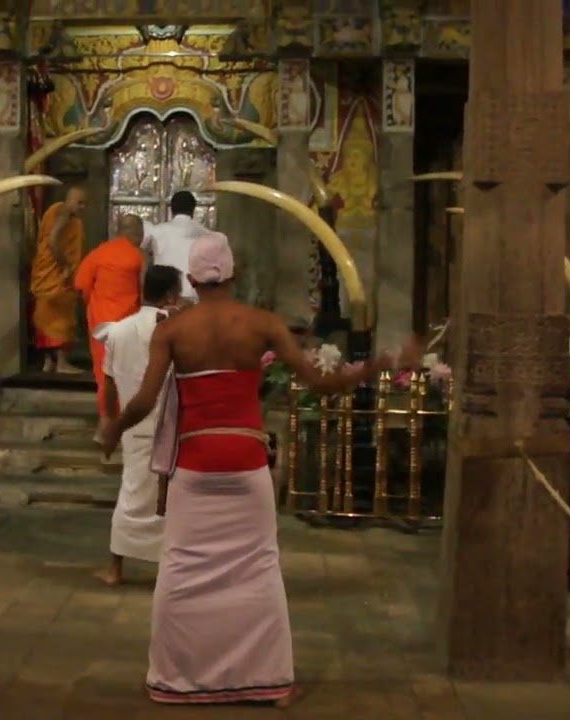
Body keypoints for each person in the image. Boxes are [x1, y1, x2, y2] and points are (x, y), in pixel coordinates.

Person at [97, 232, 421, 706]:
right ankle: (269, 680)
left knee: (182, 567)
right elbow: (323, 383)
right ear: (235, 275)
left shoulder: (173, 330)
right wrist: (380, 364)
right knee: (258, 570)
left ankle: (174, 677)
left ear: (190, 280)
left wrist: (113, 428)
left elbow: (145, 399)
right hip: (247, 464)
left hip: (195, 463)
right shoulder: (263, 323)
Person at [92, 265, 181, 588]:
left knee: (133, 493)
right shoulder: (173, 329)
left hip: (132, 421)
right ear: (171, 295)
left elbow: (110, 382)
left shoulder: (118, 331)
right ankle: (162, 569)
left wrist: (110, 418)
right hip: (164, 421)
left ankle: (116, 567)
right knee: (162, 498)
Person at [74, 214, 146, 420]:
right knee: (128, 372)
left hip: (101, 323)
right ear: (137, 232)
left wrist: (94, 306)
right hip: (129, 325)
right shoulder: (138, 256)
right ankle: (125, 418)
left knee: (103, 372)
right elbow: (145, 291)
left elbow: (81, 286)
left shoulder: (98, 254)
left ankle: (106, 419)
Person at [30, 186, 87, 373]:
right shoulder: (63, 213)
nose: (82, 207)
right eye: (79, 203)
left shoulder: (54, 211)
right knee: (62, 316)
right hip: (57, 274)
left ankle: (49, 362)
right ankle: (62, 363)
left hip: (46, 275)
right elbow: (54, 241)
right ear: (69, 200)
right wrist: (67, 265)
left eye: (84, 204)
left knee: (44, 316)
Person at [142, 191, 209, 304]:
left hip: (164, 297)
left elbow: (138, 246)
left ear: (171, 209)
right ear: (193, 210)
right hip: (195, 296)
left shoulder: (156, 231)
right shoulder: (208, 235)